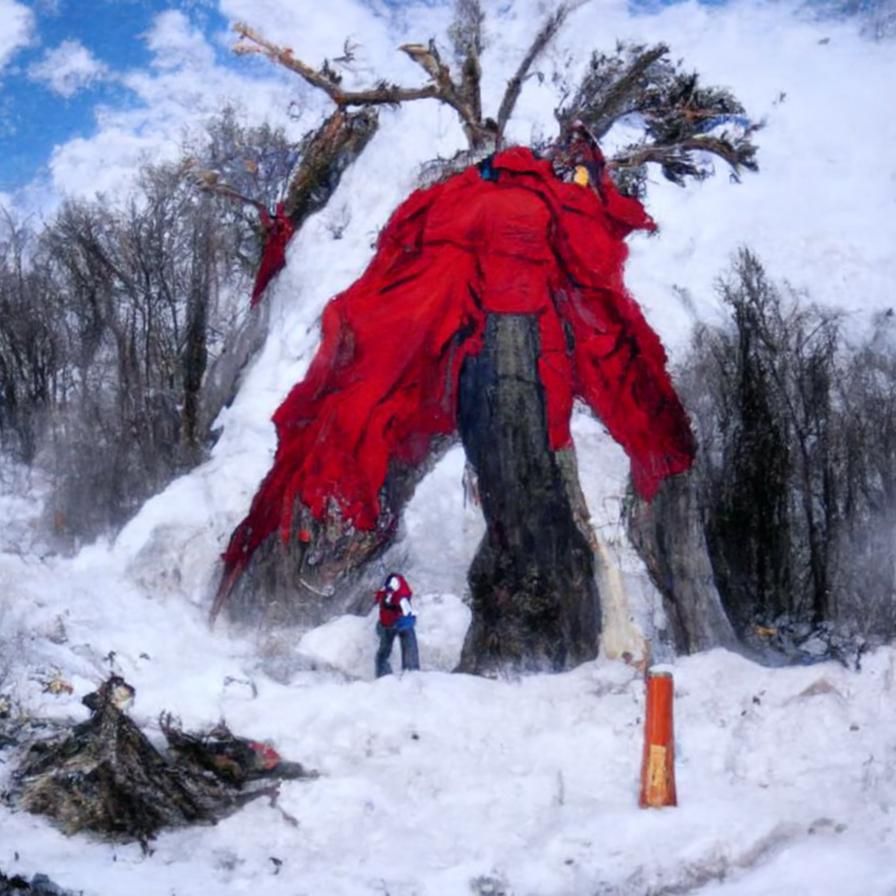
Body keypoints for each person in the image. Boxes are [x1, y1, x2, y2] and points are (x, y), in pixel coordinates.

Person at [374, 572, 419, 678]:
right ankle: (412, 676)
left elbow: (386, 601)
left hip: (392, 623)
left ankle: (383, 677)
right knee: (410, 656)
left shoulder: (391, 585)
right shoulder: (403, 587)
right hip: (407, 623)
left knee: (383, 654)